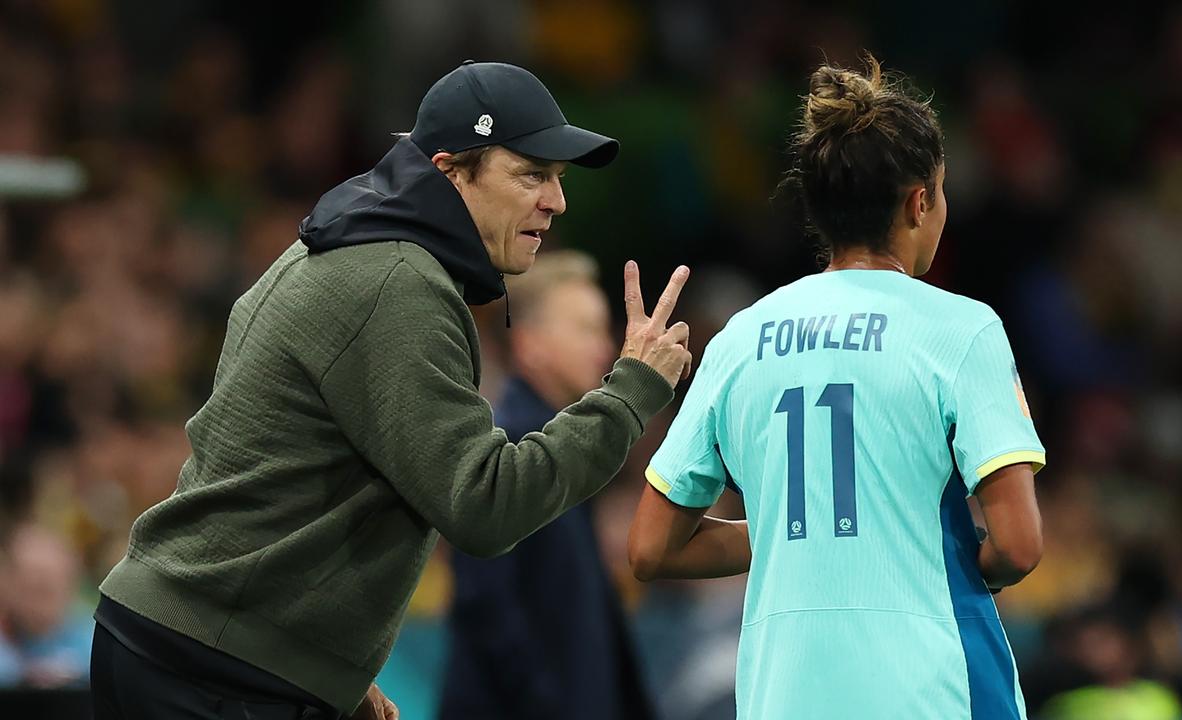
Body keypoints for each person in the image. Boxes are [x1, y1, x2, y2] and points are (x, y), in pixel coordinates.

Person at [90, 60, 694, 720]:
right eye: (531, 173)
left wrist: (326, 669)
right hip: (209, 670)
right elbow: (484, 506)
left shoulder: (361, 246)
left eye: (557, 178)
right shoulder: (398, 284)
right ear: (449, 169)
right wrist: (630, 390)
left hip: (205, 654)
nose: (556, 200)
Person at [628, 56, 1046, 719]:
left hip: (783, 697)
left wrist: (806, 532)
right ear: (919, 202)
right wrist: (952, 557)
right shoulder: (961, 331)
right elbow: (1018, 546)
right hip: (934, 691)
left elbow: (651, 548)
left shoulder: (740, 338)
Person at [440, 250, 655, 720]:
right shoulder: (509, 446)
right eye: (586, 329)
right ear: (530, 344)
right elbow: (489, 608)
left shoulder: (563, 445)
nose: (605, 348)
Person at [0, 524, 95, 689]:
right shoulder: (5, 636)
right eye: (29, 589)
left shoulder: (92, 635)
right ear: (7, 584)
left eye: (47, 590)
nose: (37, 604)